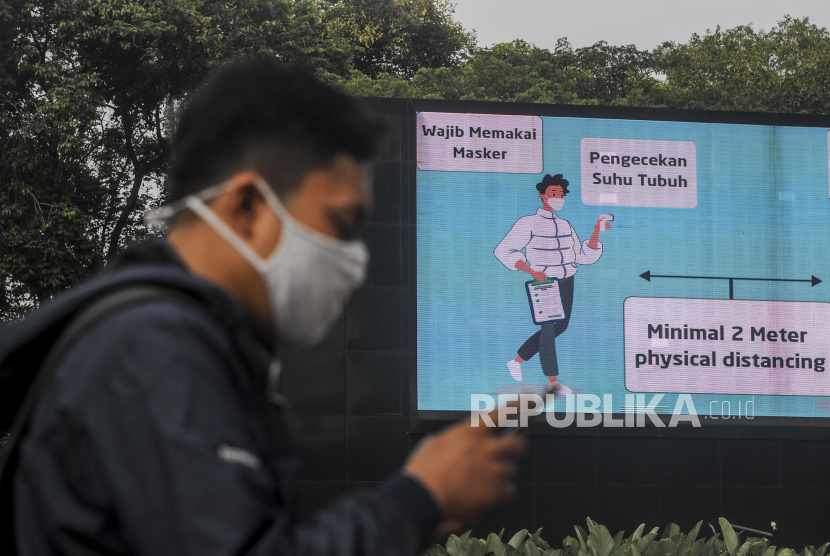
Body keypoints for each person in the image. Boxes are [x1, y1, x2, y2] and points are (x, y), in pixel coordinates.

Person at [1, 60, 525, 555]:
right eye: (340, 226)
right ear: (247, 206)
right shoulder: (155, 349)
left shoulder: (176, 341)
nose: (352, 261)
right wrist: (419, 497)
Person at [494, 174, 611, 392]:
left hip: (567, 280)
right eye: (553, 193)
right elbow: (504, 250)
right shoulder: (527, 223)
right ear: (542, 196)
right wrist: (530, 270)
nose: (558, 197)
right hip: (544, 282)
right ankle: (553, 382)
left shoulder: (565, 224)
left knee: (561, 326)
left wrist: (596, 231)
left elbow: (581, 255)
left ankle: (518, 360)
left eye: (561, 194)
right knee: (548, 329)